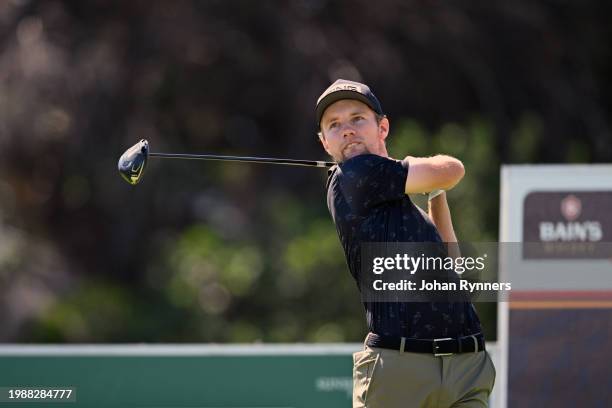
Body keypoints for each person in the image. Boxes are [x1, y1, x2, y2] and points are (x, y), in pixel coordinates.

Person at [316, 79, 496, 408]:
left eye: (357, 119)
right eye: (334, 125)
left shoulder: (397, 199)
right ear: (324, 142)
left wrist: (435, 195)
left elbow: (451, 261)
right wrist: (418, 164)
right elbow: (453, 169)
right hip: (401, 366)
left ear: (382, 127)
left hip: (465, 363)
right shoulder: (353, 175)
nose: (347, 131)